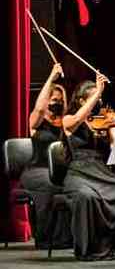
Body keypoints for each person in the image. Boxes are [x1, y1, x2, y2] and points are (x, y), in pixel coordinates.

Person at [61, 73, 115, 260]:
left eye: (99, 98)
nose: (98, 101)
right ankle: (93, 249)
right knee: (87, 196)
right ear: (82, 100)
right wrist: (98, 90)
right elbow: (77, 119)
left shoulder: (103, 121)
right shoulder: (68, 119)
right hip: (79, 173)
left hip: (101, 171)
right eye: (94, 98)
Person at [19, 63, 72, 248]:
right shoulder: (36, 122)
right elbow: (40, 109)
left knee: (73, 185)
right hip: (36, 170)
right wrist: (51, 78)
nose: (55, 103)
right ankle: (47, 238)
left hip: (57, 171)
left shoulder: (65, 123)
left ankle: (67, 238)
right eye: (52, 99)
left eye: (59, 100)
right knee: (51, 185)